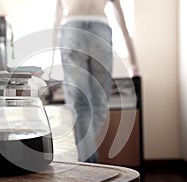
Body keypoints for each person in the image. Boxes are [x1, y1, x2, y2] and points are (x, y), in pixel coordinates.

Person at [53, 0, 138, 162]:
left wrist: (51, 64)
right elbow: (123, 26)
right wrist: (134, 64)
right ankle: (90, 162)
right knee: (99, 103)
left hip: (72, 29)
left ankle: (87, 162)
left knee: (80, 106)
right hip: (100, 31)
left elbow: (56, 22)